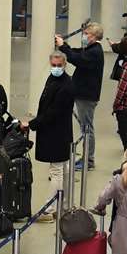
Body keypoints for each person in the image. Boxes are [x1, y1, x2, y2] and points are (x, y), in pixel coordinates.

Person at [55, 22, 104, 168]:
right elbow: (77, 52)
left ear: (94, 37)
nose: (84, 36)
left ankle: (89, 160)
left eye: (87, 34)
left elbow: (77, 59)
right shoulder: (91, 49)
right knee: (85, 127)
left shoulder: (94, 52)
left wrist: (63, 47)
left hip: (86, 96)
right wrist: (64, 45)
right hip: (83, 94)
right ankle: (87, 157)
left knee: (87, 128)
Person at [27, 51, 76, 195]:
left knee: (56, 170)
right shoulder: (53, 79)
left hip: (58, 134)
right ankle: (64, 202)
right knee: (62, 169)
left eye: (59, 65)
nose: (56, 68)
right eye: (53, 65)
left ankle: (51, 208)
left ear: (65, 64)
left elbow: (53, 112)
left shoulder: (66, 86)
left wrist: (32, 124)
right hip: (55, 132)